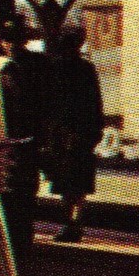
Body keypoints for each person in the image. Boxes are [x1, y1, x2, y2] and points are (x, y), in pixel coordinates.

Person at [45, 21, 106, 240]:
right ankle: (74, 223)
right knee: (78, 184)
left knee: (66, 183)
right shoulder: (86, 68)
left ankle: (70, 223)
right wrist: (94, 131)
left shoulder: (56, 68)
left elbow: (51, 103)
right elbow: (96, 102)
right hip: (81, 133)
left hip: (66, 133)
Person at [0, 14, 49, 256]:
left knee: (18, 188)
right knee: (21, 188)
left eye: (13, 39)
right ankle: (21, 236)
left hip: (20, 136)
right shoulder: (37, 64)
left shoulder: (11, 68)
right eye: (9, 40)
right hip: (22, 136)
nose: (10, 44)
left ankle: (19, 238)